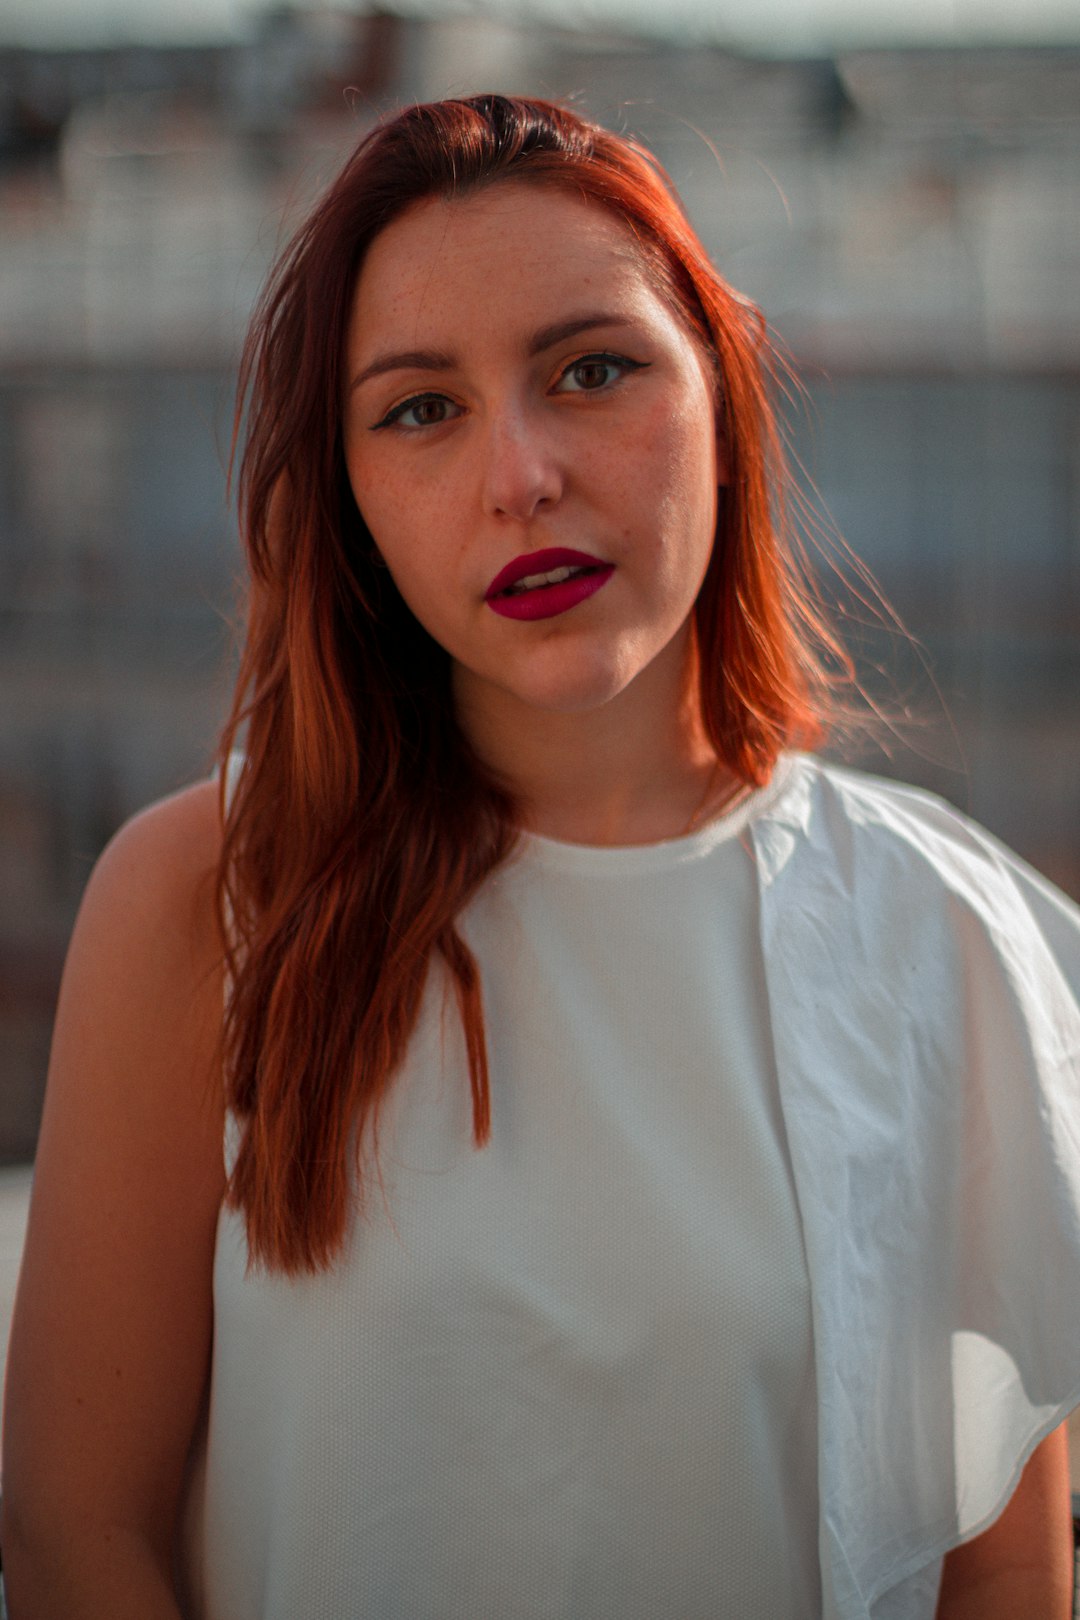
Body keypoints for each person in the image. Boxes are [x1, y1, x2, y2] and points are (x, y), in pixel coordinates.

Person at [1, 93, 1078, 1620]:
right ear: (355, 498)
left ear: (725, 402)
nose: (519, 475)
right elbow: (71, 1535)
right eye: (420, 409)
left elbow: (1007, 1574)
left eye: (593, 370)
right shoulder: (211, 895)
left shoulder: (949, 940)